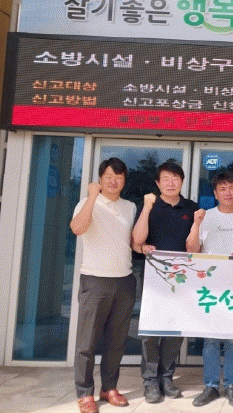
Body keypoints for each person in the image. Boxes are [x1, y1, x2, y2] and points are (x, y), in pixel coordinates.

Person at [186, 170, 233, 408]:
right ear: (215, 193)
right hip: (211, 286)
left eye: (232, 188)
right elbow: (192, 249)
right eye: (222, 189)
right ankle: (210, 386)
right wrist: (196, 224)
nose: (228, 193)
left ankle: (231, 385)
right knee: (210, 340)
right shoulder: (205, 216)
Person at [69, 157, 137, 413]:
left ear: (124, 180)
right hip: (95, 280)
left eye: (118, 176)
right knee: (86, 342)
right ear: (100, 178)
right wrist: (91, 197)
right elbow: (77, 228)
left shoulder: (130, 207)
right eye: (108, 176)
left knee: (116, 341)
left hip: (124, 280)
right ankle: (84, 393)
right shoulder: (87, 203)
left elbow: (131, 241)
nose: (113, 181)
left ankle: (109, 388)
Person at [131, 161, 198, 403]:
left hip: (182, 277)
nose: (171, 183)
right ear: (158, 183)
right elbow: (136, 241)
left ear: (182, 181)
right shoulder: (149, 205)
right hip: (154, 276)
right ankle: (150, 380)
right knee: (151, 330)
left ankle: (167, 377)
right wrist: (147, 209)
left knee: (175, 328)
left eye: (175, 178)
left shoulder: (191, 208)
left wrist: (197, 222)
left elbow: (194, 248)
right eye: (166, 179)